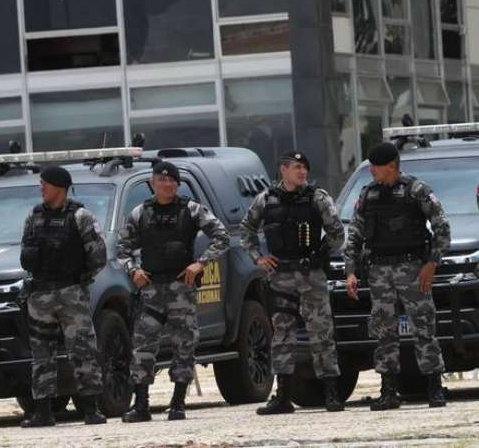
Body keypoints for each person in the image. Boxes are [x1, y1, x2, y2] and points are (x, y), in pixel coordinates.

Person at [118, 161, 229, 422]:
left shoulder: (191, 209)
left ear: (177, 184)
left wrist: (201, 262)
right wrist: (133, 270)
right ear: (153, 183)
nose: (167, 184)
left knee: (184, 345)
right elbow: (122, 247)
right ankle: (141, 405)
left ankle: (178, 403)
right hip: (151, 290)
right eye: (161, 180)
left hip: (182, 288)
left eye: (171, 181)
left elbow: (221, 236)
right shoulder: (139, 213)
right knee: (143, 347)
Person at [345, 142, 450, 409]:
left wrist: (432, 264)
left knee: (424, 326)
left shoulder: (417, 190)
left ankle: (435, 387)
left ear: (391, 166)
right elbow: (355, 233)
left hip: (412, 269)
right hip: (379, 271)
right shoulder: (367, 194)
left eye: (375, 166)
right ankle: (389, 390)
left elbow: (442, 227)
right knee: (383, 330)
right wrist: (350, 271)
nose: (371, 171)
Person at [240, 150, 346, 414]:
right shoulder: (266, 199)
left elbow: (337, 232)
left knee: (321, 333)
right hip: (280, 277)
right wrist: (258, 258)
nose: (302, 172)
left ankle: (332, 392)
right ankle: (283, 396)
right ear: (283, 169)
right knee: (282, 335)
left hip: (311, 276)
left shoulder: (317, 197)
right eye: (297, 167)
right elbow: (246, 229)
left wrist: (320, 255)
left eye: (304, 168)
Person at [19, 165, 108, 427]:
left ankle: (91, 408)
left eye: (45, 183)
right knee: (41, 354)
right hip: (41, 293)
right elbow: (26, 252)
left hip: (71, 293)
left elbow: (98, 255)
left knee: (82, 349)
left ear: (59, 186)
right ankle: (43, 412)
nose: (41, 188)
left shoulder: (80, 216)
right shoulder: (33, 217)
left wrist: (81, 279)